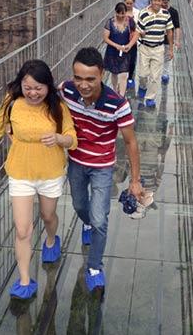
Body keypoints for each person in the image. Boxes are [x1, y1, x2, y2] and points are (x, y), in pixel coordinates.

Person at [0, 60, 77, 300]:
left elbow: (71, 137)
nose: (33, 93)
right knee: (23, 229)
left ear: (48, 86)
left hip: (50, 171)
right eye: (28, 87)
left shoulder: (58, 106)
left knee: (48, 216)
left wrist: (58, 139)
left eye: (39, 88)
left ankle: (51, 239)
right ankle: (25, 279)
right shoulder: (12, 103)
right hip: (20, 171)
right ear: (21, 85)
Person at [60, 47, 143, 292]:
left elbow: (131, 141)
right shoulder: (67, 90)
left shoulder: (117, 104)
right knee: (79, 206)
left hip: (102, 166)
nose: (83, 85)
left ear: (102, 74)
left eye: (90, 79)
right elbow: (41, 95)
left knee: (99, 218)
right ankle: (88, 223)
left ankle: (94, 266)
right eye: (78, 78)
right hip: (76, 160)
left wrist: (135, 180)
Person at [136, 0, 173, 108]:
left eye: (159, 0)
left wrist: (171, 48)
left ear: (162, 2)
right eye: (155, 0)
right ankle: (142, 86)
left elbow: (169, 31)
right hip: (145, 48)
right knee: (142, 74)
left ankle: (150, 98)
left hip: (158, 48)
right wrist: (140, 34)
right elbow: (138, 31)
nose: (157, 2)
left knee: (155, 77)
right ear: (151, 1)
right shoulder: (143, 13)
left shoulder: (166, 14)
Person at [103, 2, 138, 96]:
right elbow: (105, 38)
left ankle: (121, 96)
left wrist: (129, 45)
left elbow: (135, 34)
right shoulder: (110, 22)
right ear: (116, 12)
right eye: (119, 13)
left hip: (125, 52)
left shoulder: (130, 22)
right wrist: (116, 46)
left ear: (126, 12)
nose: (121, 15)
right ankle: (114, 90)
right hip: (112, 51)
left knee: (124, 74)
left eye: (123, 13)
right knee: (114, 73)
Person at [161, 0, 181, 84]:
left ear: (168, 1)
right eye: (162, 2)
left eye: (165, 2)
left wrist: (177, 40)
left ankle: (165, 74)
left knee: (167, 56)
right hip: (157, 38)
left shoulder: (173, 12)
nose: (163, 4)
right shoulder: (157, 10)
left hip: (168, 39)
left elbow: (177, 27)